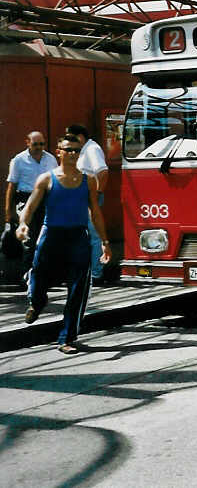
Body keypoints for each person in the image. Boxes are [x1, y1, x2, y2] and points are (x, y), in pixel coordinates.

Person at [16, 134, 111, 354]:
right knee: (38, 273)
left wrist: (105, 241)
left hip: (78, 236)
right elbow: (29, 208)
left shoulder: (89, 180)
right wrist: (23, 225)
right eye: (67, 150)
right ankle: (37, 303)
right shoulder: (46, 179)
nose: (72, 154)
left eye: (76, 151)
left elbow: (95, 213)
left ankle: (66, 338)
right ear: (58, 151)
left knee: (78, 289)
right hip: (51, 235)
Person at [4, 131, 58, 287]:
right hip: (25, 199)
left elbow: (56, 182)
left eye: (42, 144)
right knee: (29, 238)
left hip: (46, 199)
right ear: (27, 142)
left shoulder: (50, 159)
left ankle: (45, 273)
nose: (39, 147)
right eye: (35, 144)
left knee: (45, 237)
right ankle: (28, 274)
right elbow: (12, 186)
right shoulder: (18, 160)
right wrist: (9, 211)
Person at [65, 124, 109, 284]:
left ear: (81, 137)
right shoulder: (83, 150)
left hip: (89, 198)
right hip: (79, 198)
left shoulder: (91, 149)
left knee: (94, 236)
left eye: (72, 137)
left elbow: (103, 172)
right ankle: (86, 273)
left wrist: (96, 196)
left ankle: (96, 274)